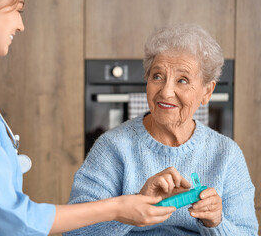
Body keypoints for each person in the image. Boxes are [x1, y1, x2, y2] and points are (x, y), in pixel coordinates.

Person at [0, 0, 182, 235]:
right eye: (18, 9)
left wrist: (127, 204)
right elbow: (17, 220)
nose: (21, 25)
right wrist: (119, 207)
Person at [63, 24, 259, 235]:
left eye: (182, 80)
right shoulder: (111, 148)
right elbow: (74, 230)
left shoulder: (226, 154)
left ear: (207, 91)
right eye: (157, 76)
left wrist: (216, 223)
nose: (166, 92)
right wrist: (131, 210)